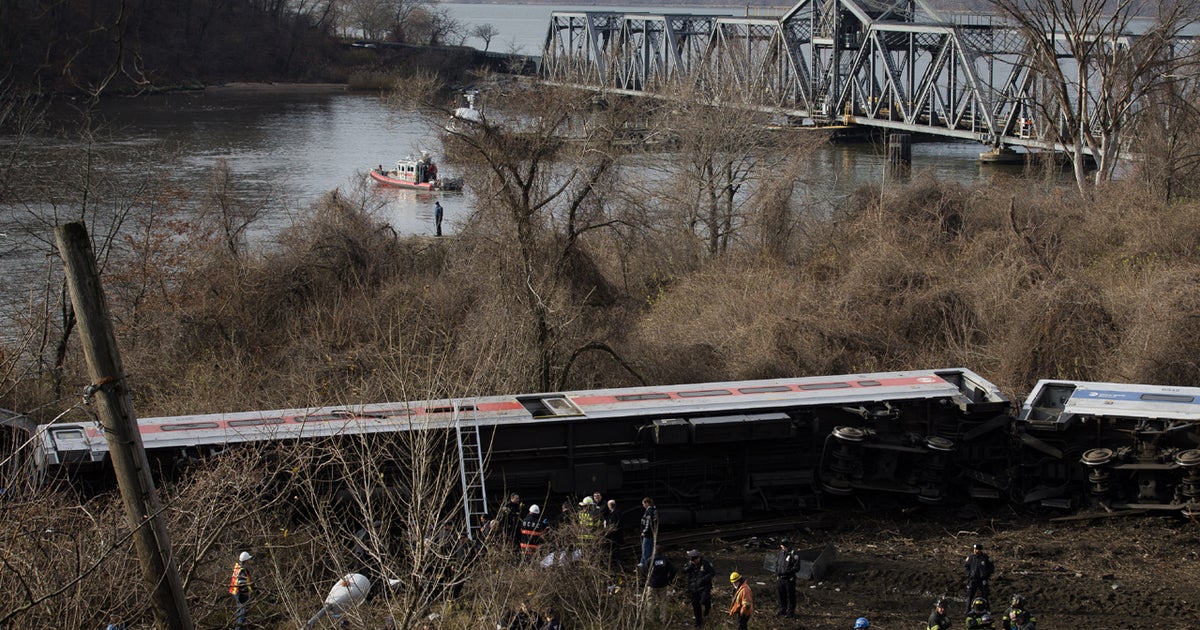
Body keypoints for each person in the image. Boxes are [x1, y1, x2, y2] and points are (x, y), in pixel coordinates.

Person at [684, 549, 715, 627]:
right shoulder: (690, 564)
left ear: (698, 558)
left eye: (695, 560)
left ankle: (707, 610)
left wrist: (704, 579)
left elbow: (712, 573)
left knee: (704, 600)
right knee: (695, 605)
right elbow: (683, 570)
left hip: (704, 587)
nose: (694, 561)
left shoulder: (705, 563)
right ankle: (698, 622)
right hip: (694, 587)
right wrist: (690, 567)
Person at [644, 552, 677, 623]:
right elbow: (673, 570)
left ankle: (650, 619)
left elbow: (644, 569)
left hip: (652, 584)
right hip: (663, 584)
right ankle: (663, 619)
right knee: (663, 601)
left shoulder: (650, 560)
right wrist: (669, 579)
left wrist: (647, 578)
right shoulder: (666, 560)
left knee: (650, 601)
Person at [964, 543, 994, 612]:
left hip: (982, 580)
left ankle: (987, 609)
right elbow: (966, 567)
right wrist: (969, 574)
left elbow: (991, 568)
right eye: (974, 549)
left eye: (976, 549)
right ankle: (967, 610)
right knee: (970, 595)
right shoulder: (971, 557)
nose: (975, 551)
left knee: (985, 595)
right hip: (973, 580)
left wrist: (986, 574)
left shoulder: (985, 558)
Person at [775, 539, 801, 617]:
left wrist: (787, 572)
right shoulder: (780, 553)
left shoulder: (793, 554)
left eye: (782, 545)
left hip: (789, 578)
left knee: (790, 595)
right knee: (781, 594)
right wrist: (777, 572)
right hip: (780, 578)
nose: (781, 546)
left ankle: (791, 611)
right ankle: (783, 609)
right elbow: (777, 563)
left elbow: (796, 567)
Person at [229, 551, 253, 630]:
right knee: (242, 613)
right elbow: (241, 583)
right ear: (246, 560)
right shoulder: (242, 570)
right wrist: (246, 593)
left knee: (239, 612)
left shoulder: (237, 567)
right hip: (241, 594)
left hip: (235, 592)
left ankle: (238, 628)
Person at [602, 498, 623, 565]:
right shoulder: (614, 512)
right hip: (614, 534)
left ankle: (617, 561)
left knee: (616, 548)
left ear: (609, 505)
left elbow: (616, 523)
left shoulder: (616, 513)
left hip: (615, 534)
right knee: (614, 548)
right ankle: (615, 560)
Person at [639, 497, 658, 570]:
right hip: (651, 534)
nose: (643, 505)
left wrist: (644, 532)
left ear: (647, 503)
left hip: (648, 534)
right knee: (649, 549)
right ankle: (644, 562)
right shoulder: (653, 510)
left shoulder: (649, 511)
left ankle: (645, 564)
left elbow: (648, 523)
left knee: (646, 549)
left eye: (643, 504)